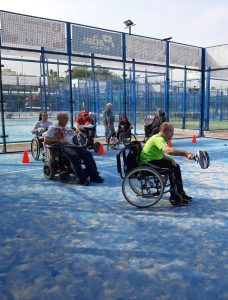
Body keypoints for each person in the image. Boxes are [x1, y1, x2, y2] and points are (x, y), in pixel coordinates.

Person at [140, 122, 193, 206]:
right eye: (171, 131)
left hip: (152, 160)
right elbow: (168, 150)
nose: (173, 133)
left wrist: (170, 160)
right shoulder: (158, 139)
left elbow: (159, 154)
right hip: (148, 163)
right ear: (164, 131)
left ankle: (180, 193)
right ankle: (175, 198)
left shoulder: (160, 138)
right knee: (172, 169)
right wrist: (185, 153)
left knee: (176, 166)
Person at [44, 112, 104, 186]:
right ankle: (81, 178)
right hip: (62, 147)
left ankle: (94, 175)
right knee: (74, 156)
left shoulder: (68, 128)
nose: (67, 120)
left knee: (88, 154)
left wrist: (81, 138)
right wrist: (57, 140)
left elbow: (76, 138)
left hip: (75, 146)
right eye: (65, 118)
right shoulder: (53, 128)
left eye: (67, 119)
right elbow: (46, 141)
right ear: (59, 119)